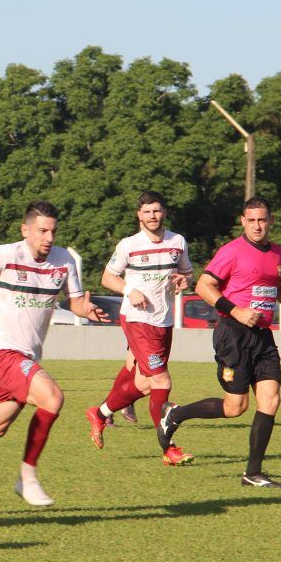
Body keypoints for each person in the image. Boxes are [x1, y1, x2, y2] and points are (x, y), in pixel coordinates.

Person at [0, 201, 108, 516]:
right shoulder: (5, 254)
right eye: (42, 230)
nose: (49, 237)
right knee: (52, 398)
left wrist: (87, 310)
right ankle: (27, 476)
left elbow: (76, 301)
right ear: (25, 230)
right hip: (2, 353)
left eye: (53, 230)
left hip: (26, 357)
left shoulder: (64, 260)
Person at [156, 197, 281, 489]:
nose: (257, 225)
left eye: (262, 220)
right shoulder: (231, 251)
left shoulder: (276, 253)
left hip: (263, 336)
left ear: (271, 221)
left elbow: (279, 287)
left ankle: (253, 473)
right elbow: (204, 286)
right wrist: (236, 311)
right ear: (243, 221)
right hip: (233, 333)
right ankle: (175, 414)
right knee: (235, 407)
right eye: (251, 220)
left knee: (271, 399)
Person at [85, 191, 194, 464]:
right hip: (136, 319)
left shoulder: (177, 241)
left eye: (156, 211)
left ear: (164, 213)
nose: (152, 216)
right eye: (147, 212)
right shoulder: (128, 245)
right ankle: (169, 449)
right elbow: (108, 277)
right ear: (139, 215)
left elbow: (187, 273)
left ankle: (99, 413)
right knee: (161, 382)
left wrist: (184, 280)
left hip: (164, 321)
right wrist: (129, 289)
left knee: (143, 382)